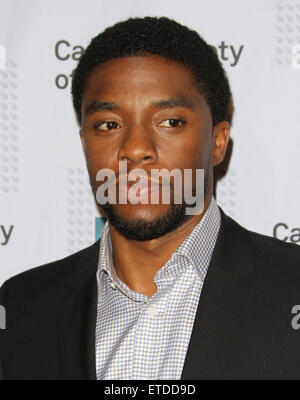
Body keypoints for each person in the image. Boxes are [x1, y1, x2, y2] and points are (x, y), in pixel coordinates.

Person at [1, 16, 300, 380]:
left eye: (170, 121)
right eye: (108, 124)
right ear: (85, 144)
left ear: (217, 142)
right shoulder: (20, 309)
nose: (136, 148)